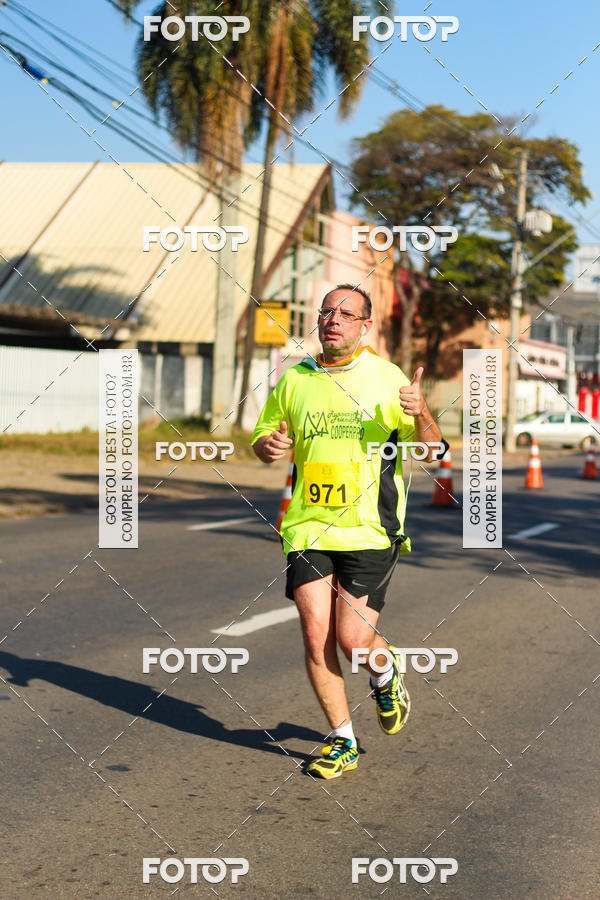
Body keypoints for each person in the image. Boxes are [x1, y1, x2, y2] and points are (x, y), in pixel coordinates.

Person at [251, 284, 447, 779]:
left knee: (354, 642)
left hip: (369, 530)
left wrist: (421, 410)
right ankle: (342, 740)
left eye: (346, 313)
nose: (333, 319)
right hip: (308, 528)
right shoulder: (294, 379)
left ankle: (384, 673)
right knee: (316, 636)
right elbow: (262, 435)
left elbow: (433, 451)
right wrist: (268, 445)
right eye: (326, 311)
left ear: (365, 326)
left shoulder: (388, 378)